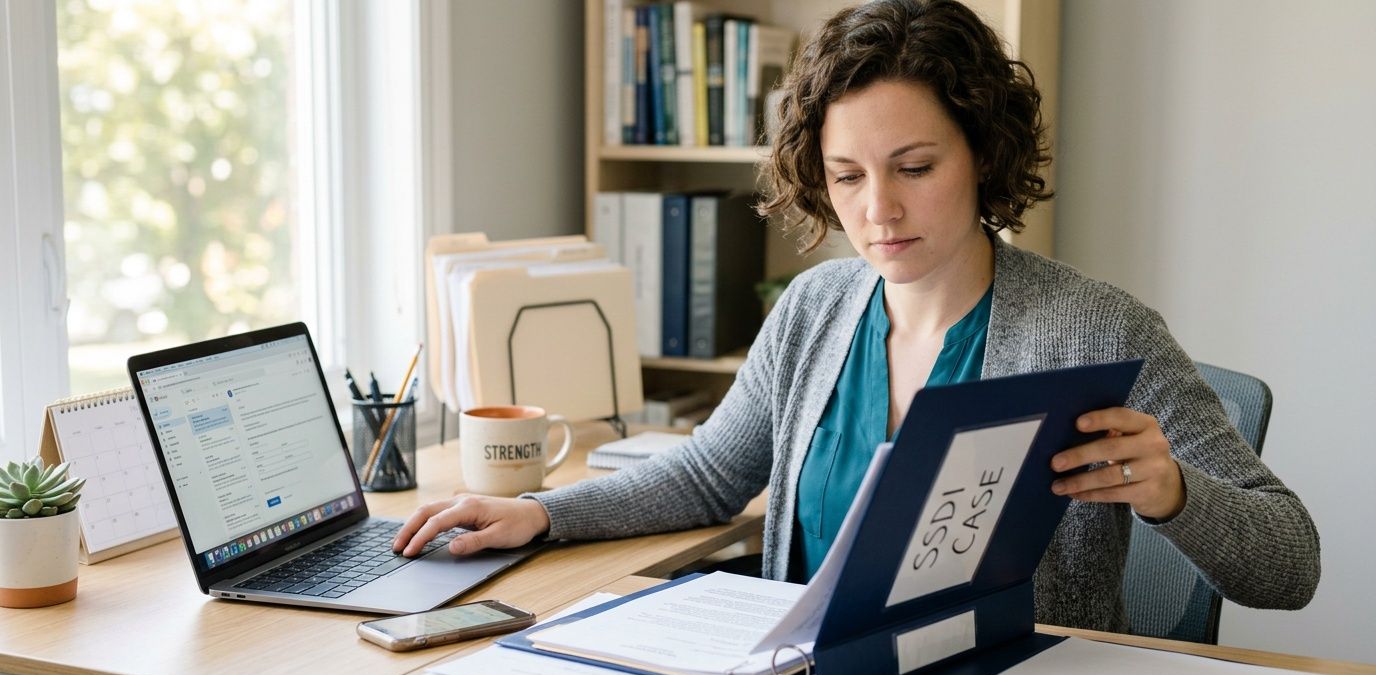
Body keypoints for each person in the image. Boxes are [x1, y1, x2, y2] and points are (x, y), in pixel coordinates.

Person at [394, 0, 1318, 632]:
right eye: (847, 177)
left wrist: (1174, 495)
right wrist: (541, 516)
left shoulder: (1099, 331)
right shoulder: (815, 308)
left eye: (915, 168)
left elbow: (1290, 564)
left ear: (983, 157)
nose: (879, 210)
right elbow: (710, 477)